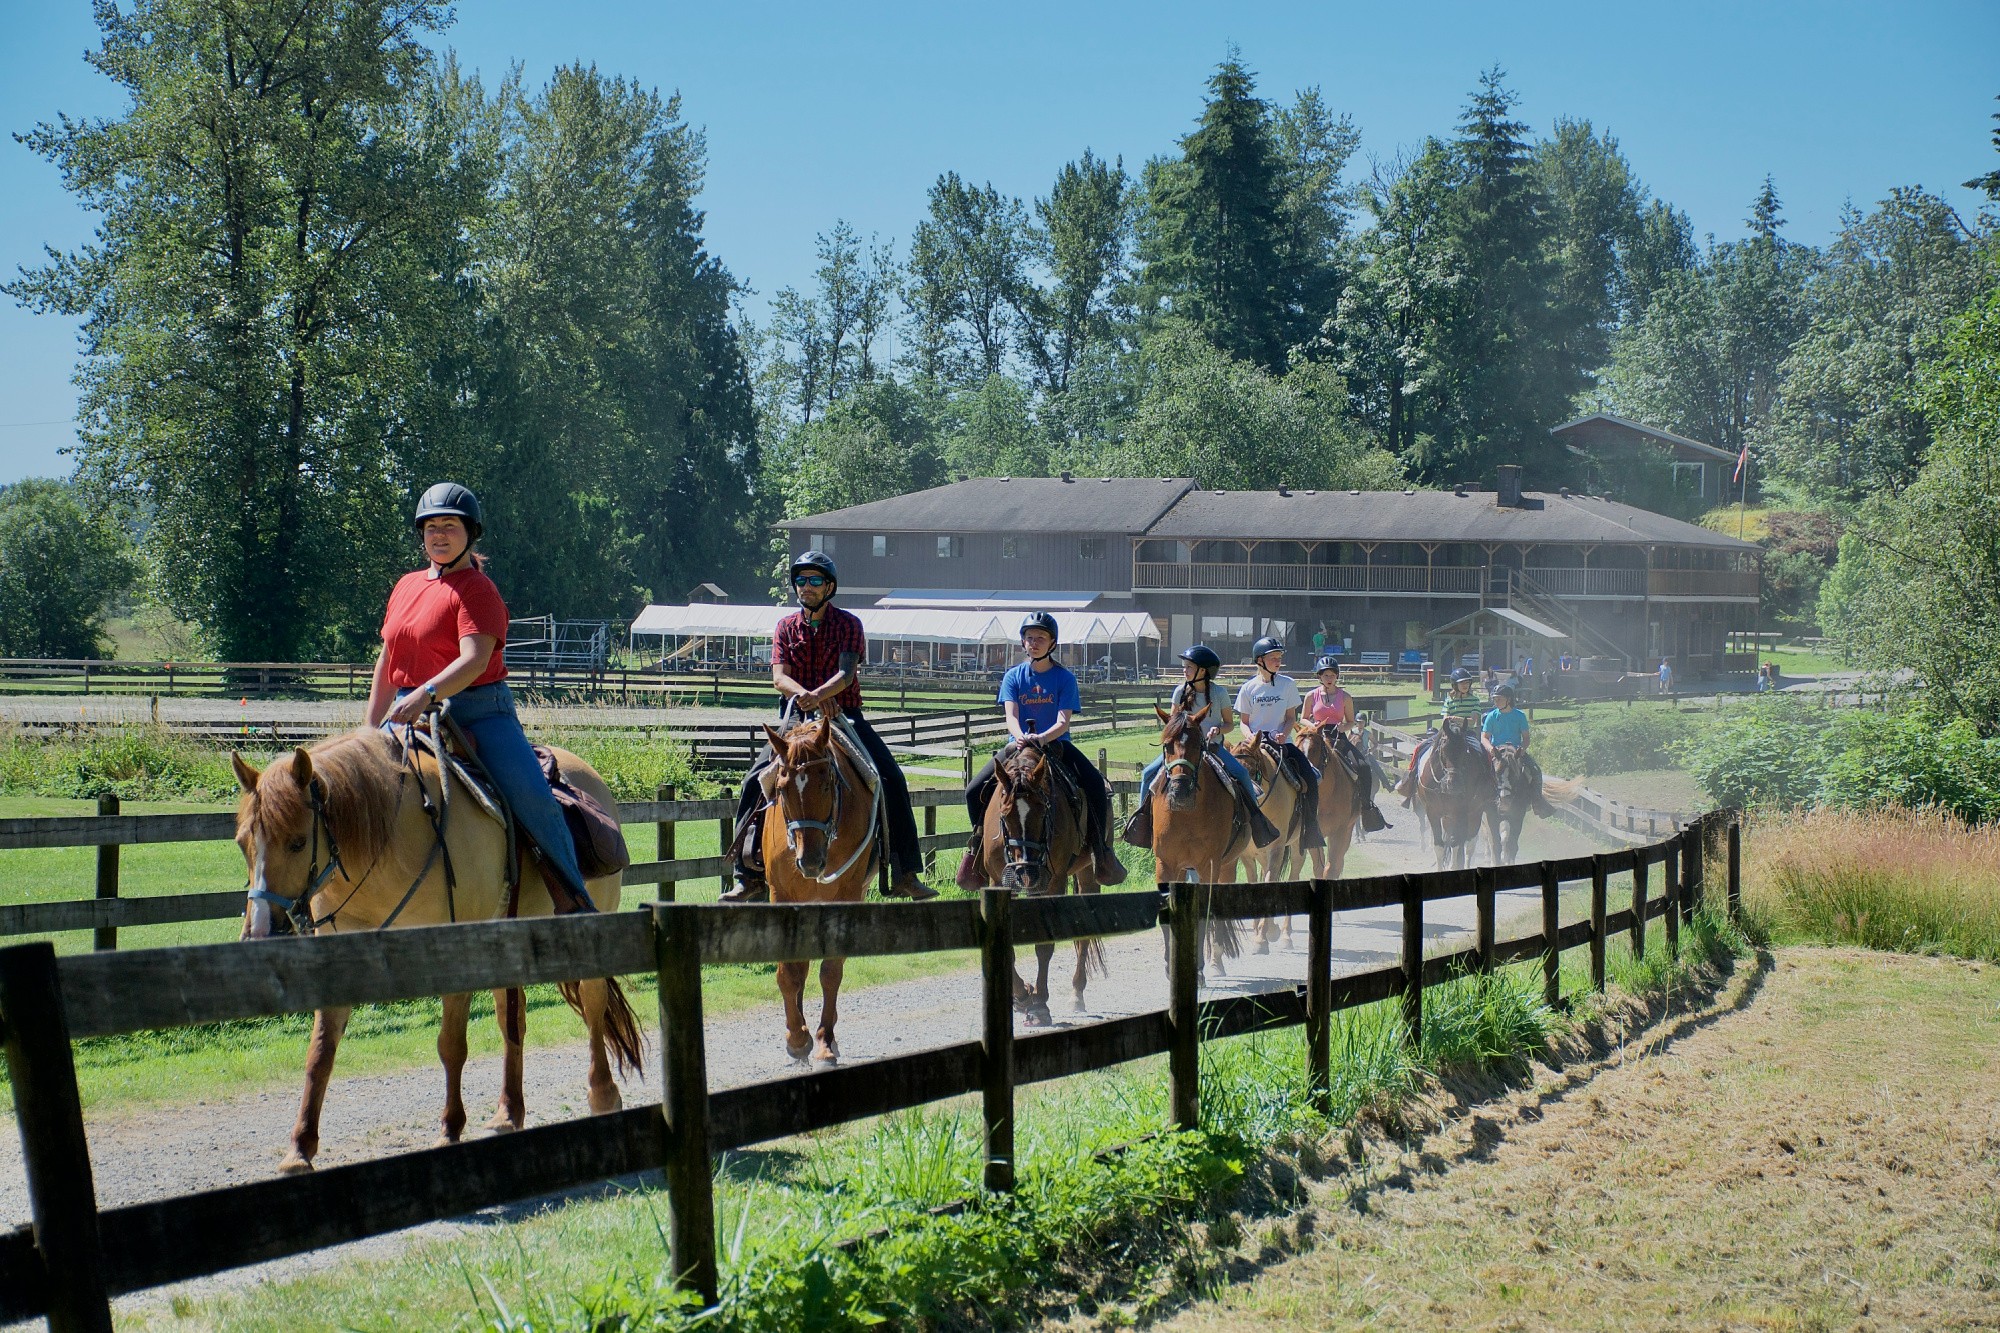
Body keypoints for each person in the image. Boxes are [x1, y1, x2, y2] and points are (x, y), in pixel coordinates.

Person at [368, 482, 593, 914]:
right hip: (404, 711)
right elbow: (387, 660)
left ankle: (575, 900)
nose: (438, 534)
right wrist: (367, 728)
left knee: (532, 798)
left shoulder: (477, 590)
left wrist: (424, 694)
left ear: (470, 533)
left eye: (449, 526)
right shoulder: (406, 586)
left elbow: (474, 660)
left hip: (478, 712)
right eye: (430, 526)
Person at [721, 551, 934, 903]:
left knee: (890, 778)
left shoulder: (849, 624)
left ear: (829, 586)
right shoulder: (785, 627)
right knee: (754, 780)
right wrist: (809, 697)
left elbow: (846, 674)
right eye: (802, 580)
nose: (807, 586)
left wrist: (821, 697)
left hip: (844, 714)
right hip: (795, 716)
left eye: (815, 580)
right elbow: (779, 678)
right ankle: (748, 874)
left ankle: (904, 871)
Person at [958, 613, 1125, 889]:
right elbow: (1010, 715)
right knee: (973, 790)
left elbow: (1063, 721)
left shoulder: (1064, 678)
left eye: (1040, 638)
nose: (1033, 643)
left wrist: (1042, 738)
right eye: (1029, 638)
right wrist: (1022, 736)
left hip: (1057, 744)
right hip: (1018, 745)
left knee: (1095, 784)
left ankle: (1101, 852)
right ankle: (977, 847)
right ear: (1023, 642)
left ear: (1052, 643)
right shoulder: (1013, 676)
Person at [1123, 644, 1279, 849]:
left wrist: (1217, 730)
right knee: (1147, 774)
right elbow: (1173, 723)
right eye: (1185, 666)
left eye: (1188, 666)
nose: (1184, 670)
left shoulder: (1219, 693)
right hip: (1182, 750)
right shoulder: (1179, 692)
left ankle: (1257, 823)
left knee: (1241, 773)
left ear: (1202, 671)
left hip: (1213, 748)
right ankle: (1144, 824)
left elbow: (1229, 724)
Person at [1235, 637, 1324, 850]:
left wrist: (1284, 734)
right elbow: (1243, 722)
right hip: (1254, 745)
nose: (1278, 661)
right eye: (1273, 658)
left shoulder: (1288, 684)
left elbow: (1291, 718)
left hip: (1282, 743)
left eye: (1279, 658)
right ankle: (1233, 827)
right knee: (1231, 778)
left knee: (1310, 777)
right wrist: (1250, 739)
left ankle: (1310, 828)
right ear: (1259, 660)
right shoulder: (1248, 688)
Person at [1300, 656, 1389, 832]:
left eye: (1332, 675)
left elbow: (1351, 722)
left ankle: (1366, 807)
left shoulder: (1345, 697)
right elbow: (1302, 718)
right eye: (1326, 675)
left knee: (1363, 766)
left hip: (1338, 738)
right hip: (1317, 737)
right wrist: (1313, 725)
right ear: (1319, 677)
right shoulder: (1311, 695)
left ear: (1337, 677)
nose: (1329, 678)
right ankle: (1296, 806)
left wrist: (1343, 727)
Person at [1395, 668, 1487, 806]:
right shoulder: (1449, 699)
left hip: (1466, 734)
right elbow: (1445, 719)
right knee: (1420, 748)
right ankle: (1410, 783)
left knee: (1482, 751)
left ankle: (1488, 784)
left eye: (1467, 682)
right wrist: (1458, 719)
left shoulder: (1474, 700)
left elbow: (1472, 721)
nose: (1465, 685)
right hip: (1448, 732)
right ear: (1455, 684)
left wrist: (1455, 718)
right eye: (1462, 683)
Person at [1481, 684, 1555, 815]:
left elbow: (1526, 738)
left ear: (1508, 700)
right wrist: (1491, 749)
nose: (1495, 702)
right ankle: (1475, 801)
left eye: (1499, 699)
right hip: (1497, 752)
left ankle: (1537, 802)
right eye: (1494, 699)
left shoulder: (1519, 716)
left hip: (1514, 752)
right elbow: (1484, 737)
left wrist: (1523, 749)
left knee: (1536, 771)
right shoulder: (1491, 716)